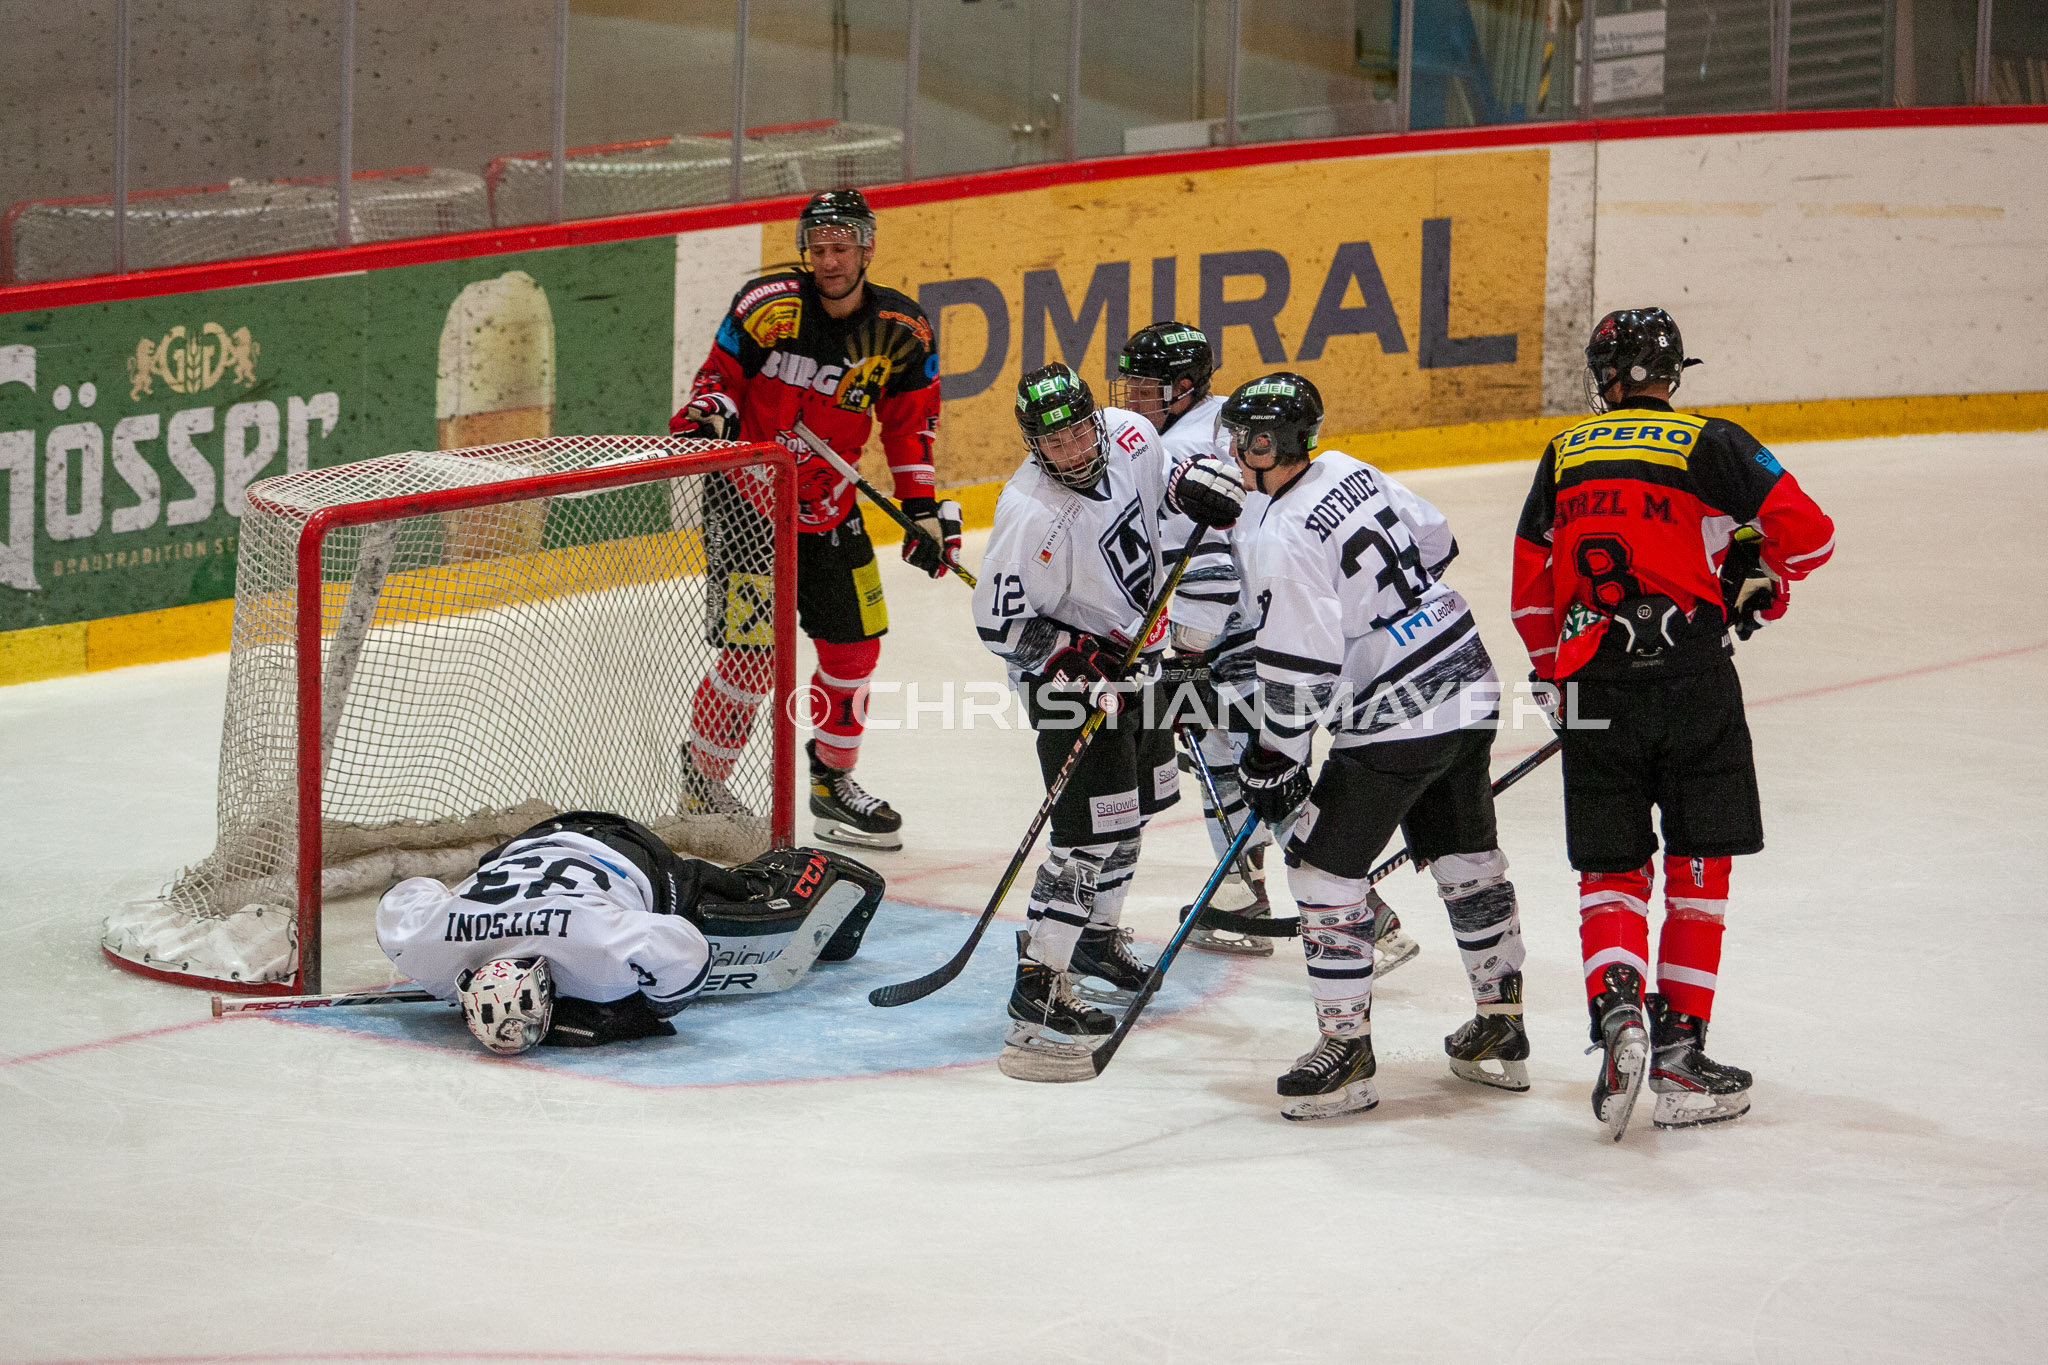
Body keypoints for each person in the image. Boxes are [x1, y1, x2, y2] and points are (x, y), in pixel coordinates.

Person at [1511, 307, 1834, 1137]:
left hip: (1595, 684)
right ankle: (1681, 1056)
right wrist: (1761, 574)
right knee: (1699, 865)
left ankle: (1617, 1009)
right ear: (1670, 374)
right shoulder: (1709, 441)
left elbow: (1529, 588)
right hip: (1693, 681)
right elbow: (1811, 538)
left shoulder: (1565, 452)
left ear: (1607, 379)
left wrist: (1554, 677)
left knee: (1610, 870)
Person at [1226, 373, 1528, 1121]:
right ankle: (1501, 1026)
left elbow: (1301, 666)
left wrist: (1273, 757)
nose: (1234, 450)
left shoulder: (1282, 532)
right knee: (1464, 855)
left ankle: (1348, 1056)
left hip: (1399, 714)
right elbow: (1438, 540)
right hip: (1469, 676)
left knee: (1321, 871)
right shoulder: (1346, 468)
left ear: (1269, 445)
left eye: (1244, 439)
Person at [1113, 323, 1420, 972]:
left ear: (1183, 387)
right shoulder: (1230, 420)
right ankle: (1241, 896)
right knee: (1230, 754)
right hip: (1274, 619)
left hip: (1240, 631)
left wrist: (1186, 652)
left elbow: (1208, 568)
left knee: (1264, 768)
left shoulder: (1181, 450)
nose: (1132, 398)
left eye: (1144, 386)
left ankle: (1362, 913)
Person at [970, 362, 1243, 1081]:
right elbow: (998, 624)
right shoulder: (1028, 512)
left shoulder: (1130, 435)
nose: (1071, 450)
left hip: (1142, 656)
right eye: (1052, 441)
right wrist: (1071, 656)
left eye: (1077, 432)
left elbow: (1168, 487)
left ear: (1097, 419)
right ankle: (1038, 988)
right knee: (1087, 839)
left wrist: (1194, 488)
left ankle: (1094, 939)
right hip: (1072, 689)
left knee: (1139, 806)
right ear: (1033, 445)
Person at [670, 188, 958, 852]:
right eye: (819, 249)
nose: (830, 261)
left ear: (867, 248)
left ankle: (832, 782)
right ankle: (703, 786)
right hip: (748, 503)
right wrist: (713, 413)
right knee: (751, 657)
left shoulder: (903, 330)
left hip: (831, 506)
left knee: (855, 649)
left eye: (842, 248)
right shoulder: (767, 307)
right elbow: (717, 380)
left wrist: (921, 511)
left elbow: (909, 428)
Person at [376, 810, 885, 1054]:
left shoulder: (599, 943)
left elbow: (688, 953)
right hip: (524, 844)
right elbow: (407, 895)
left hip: (625, 854)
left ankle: (809, 864)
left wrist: (644, 1010)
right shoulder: (425, 949)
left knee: (746, 915)